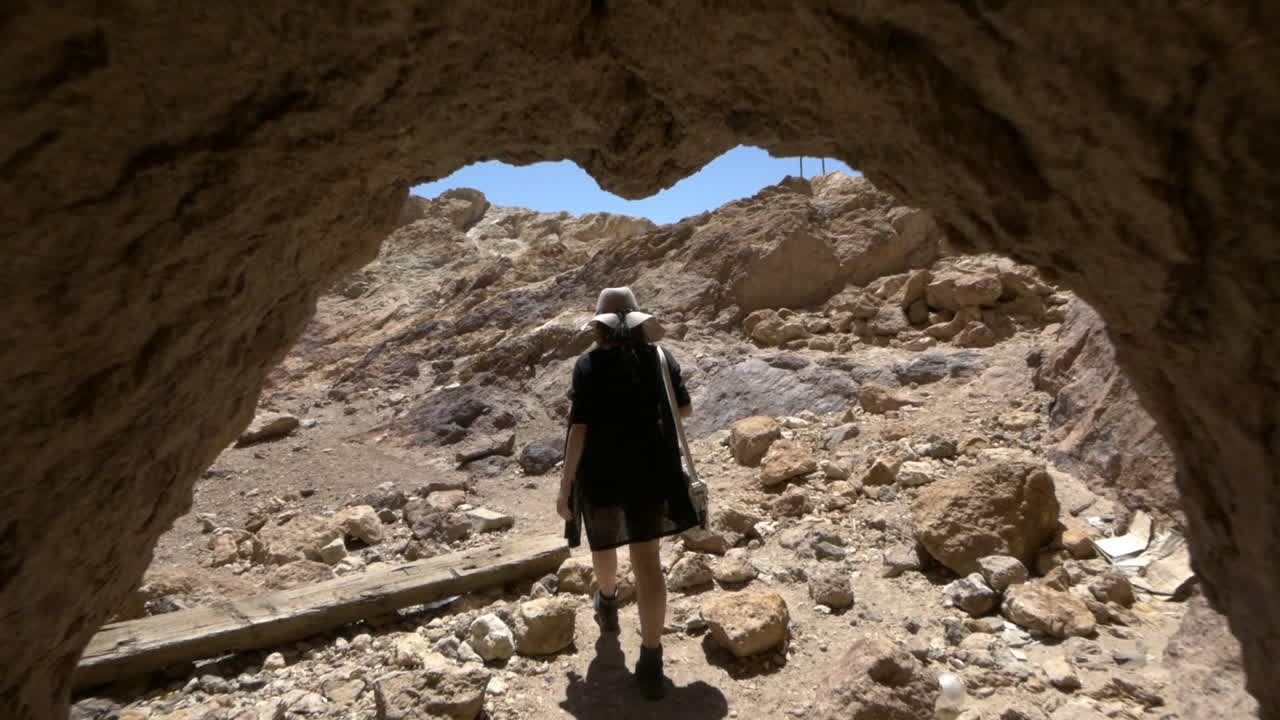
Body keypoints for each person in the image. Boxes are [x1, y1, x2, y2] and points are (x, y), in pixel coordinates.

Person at [556, 286, 700, 700]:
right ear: (637, 321)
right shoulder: (660, 357)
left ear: (600, 325)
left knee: (603, 544)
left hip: (601, 472)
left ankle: (607, 601)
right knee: (648, 562)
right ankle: (651, 659)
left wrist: (565, 484)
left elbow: (578, 428)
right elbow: (684, 410)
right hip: (653, 470)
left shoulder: (587, 365)